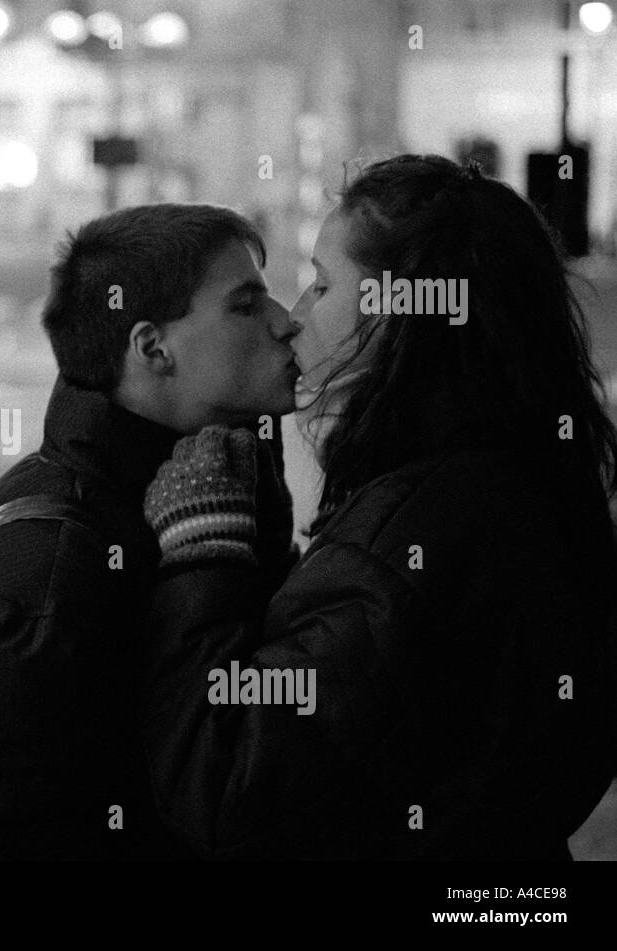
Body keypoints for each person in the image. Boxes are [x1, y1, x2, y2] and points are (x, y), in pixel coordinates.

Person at [138, 154, 617, 859]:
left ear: (405, 311)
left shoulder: (407, 542)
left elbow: (222, 781)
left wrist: (203, 552)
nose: (295, 318)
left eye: (323, 284)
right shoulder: (531, 474)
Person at [0, 203, 300, 859]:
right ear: (153, 347)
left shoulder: (211, 484)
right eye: (245, 305)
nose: (285, 321)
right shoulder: (42, 583)